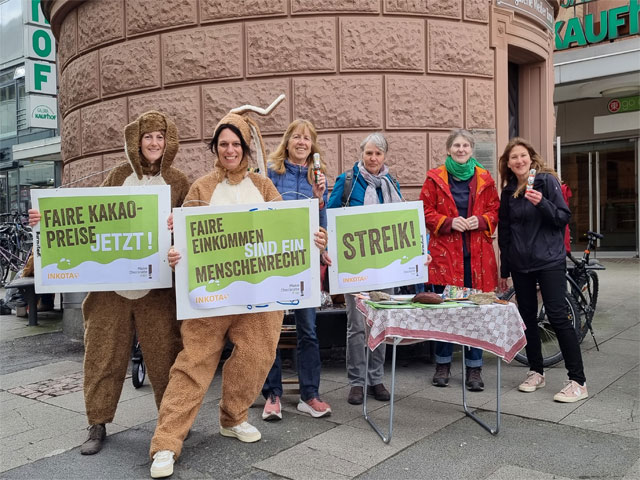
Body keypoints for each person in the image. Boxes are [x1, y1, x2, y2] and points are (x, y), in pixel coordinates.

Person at [149, 105, 329, 479]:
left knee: (257, 356)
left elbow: (287, 232)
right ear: (216, 148)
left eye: (236, 144)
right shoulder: (201, 188)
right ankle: (166, 442)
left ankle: (233, 417)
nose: (230, 150)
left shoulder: (264, 187)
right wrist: (175, 251)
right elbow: (182, 238)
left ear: (247, 148)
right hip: (210, 295)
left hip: (259, 295)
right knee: (194, 363)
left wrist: (312, 237)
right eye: (223, 144)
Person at [29, 111, 190, 455]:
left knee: (165, 357)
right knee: (102, 355)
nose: (154, 143)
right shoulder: (119, 175)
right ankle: (97, 423)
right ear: (136, 141)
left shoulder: (178, 181)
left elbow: (192, 228)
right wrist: (46, 223)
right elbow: (87, 216)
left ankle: (172, 422)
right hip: (111, 289)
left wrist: (178, 231)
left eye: (160, 137)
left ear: (169, 141)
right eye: (148, 137)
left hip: (157, 289)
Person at [497, 137, 588, 403]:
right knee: (527, 319)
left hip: (549, 261)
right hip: (520, 265)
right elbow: (505, 232)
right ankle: (536, 371)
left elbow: (563, 217)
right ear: (508, 164)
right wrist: (505, 269)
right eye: (514, 157)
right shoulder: (508, 191)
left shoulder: (546, 182)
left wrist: (542, 203)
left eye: (523, 155)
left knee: (558, 318)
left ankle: (578, 381)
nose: (519, 161)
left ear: (531, 157)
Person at [261, 119, 331, 421]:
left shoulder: (319, 177)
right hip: (275, 261)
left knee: (309, 330)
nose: (302, 142)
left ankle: (309, 395)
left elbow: (322, 218)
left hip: (306, 265)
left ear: (311, 145)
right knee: (270, 330)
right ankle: (272, 395)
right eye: (297, 137)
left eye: (307, 138)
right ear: (287, 142)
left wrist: (323, 243)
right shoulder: (271, 174)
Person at [419, 129, 499, 391]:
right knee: (446, 311)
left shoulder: (485, 178)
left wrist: (483, 220)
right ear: (448, 149)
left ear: (472, 149)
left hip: (476, 258)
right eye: (456, 145)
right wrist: (450, 222)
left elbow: (495, 210)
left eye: (465, 145)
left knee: (474, 313)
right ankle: (443, 364)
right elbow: (424, 211)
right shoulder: (434, 178)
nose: (461, 149)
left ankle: (474, 369)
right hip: (445, 258)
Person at [327, 132, 401, 405]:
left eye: (378, 153)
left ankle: (376, 379)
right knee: (357, 325)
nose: (373, 158)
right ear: (361, 154)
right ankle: (357, 382)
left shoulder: (391, 184)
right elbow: (330, 217)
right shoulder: (347, 181)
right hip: (354, 266)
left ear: (384, 156)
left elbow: (402, 219)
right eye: (369, 153)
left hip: (385, 267)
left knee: (379, 322)